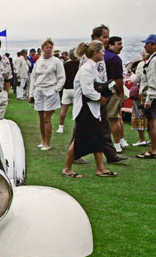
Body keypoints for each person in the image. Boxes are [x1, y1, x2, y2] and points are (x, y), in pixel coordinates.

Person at [62, 41, 116, 178]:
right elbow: (87, 90)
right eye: (102, 50)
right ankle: (67, 168)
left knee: (98, 138)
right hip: (85, 109)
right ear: (96, 52)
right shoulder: (86, 69)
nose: (104, 53)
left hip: (92, 108)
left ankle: (101, 168)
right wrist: (100, 98)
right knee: (78, 139)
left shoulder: (93, 68)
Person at [83, 24, 129, 163]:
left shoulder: (102, 57)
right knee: (84, 129)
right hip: (91, 98)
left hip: (100, 96)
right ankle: (73, 157)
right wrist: (98, 95)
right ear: (96, 38)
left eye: (108, 37)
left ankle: (110, 156)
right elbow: (87, 81)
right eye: (104, 37)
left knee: (102, 127)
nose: (107, 40)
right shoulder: (89, 59)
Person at [29, 38, 65, 150]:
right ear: (42, 49)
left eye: (50, 48)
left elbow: (61, 77)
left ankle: (47, 143)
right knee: (40, 118)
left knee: (46, 118)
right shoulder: (39, 61)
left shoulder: (56, 62)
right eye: (46, 47)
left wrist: (56, 89)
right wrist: (31, 93)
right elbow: (33, 78)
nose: (49, 49)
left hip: (50, 91)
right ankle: (43, 140)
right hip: (39, 90)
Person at [104, 36, 127, 152]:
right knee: (115, 118)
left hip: (103, 89)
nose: (121, 46)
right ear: (110, 45)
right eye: (119, 44)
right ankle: (117, 144)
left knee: (115, 117)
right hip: (113, 90)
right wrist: (121, 92)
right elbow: (118, 78)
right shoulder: (115, 58)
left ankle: (120, 140)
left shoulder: (104, 56)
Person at [56, 48, 80, 134]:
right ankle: (77, 127)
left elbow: (62, 77)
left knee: (64, 109)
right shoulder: (80, 65)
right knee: (77, 109)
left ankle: (61, 127)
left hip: (67, 89)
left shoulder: (65, 65)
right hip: (76, 89)